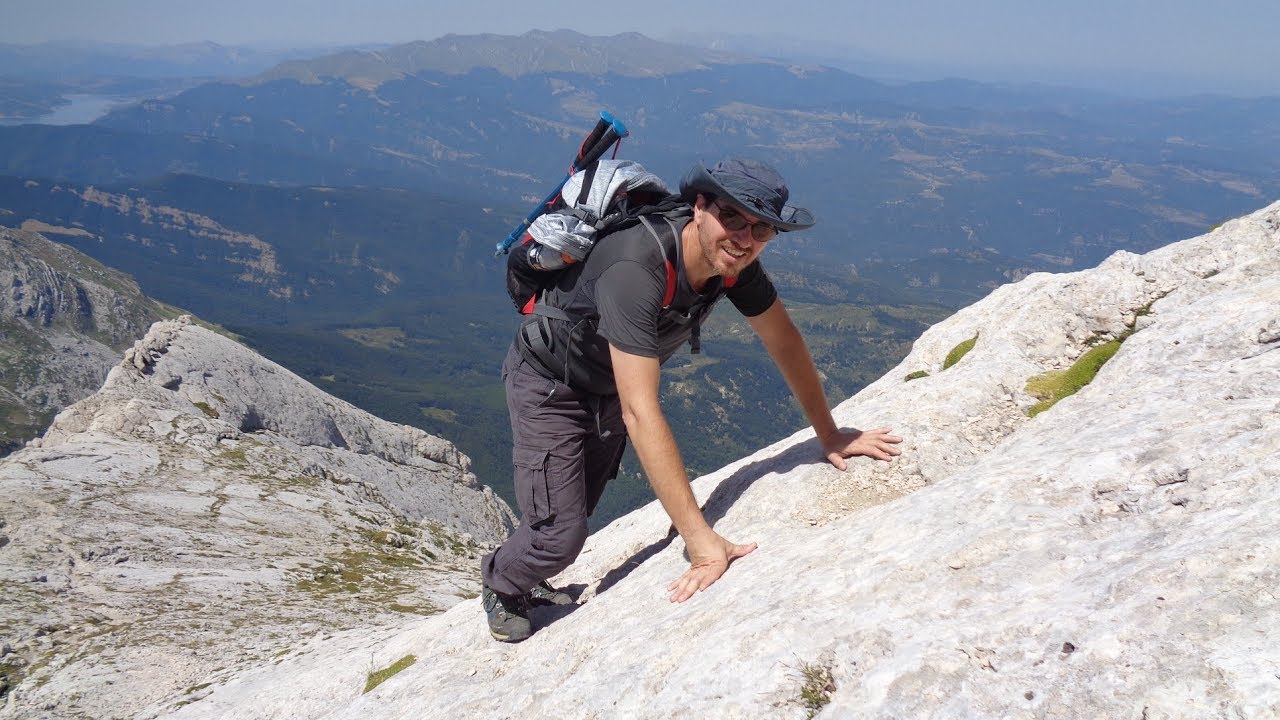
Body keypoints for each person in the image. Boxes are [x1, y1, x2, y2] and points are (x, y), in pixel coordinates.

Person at [481, 158, 903, 642]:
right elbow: (641, 411)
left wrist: (828, 433)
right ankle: (502, 582)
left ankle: (533, 567)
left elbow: (784, 340)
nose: (745, 239)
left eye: (762, 229)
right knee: (559, 534)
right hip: (549, 383)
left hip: (607, 385)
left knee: (578, 508)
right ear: (699, 207)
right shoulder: (635, 268)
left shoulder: (733, 264)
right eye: (734, 218)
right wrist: (700, 541)